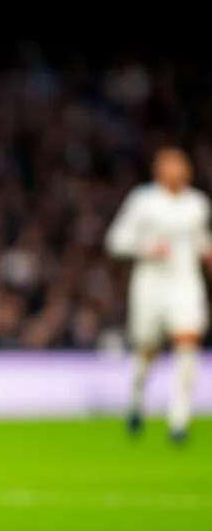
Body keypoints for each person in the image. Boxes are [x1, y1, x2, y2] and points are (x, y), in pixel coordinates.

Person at [105, 146, 212, 444]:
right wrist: (147, 248)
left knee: (188, 342)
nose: (179, 171)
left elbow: (200, 239)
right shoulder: (143, 201)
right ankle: (136, 402)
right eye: (172, 165)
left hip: (185, 284)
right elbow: (116, 240)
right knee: (146, 349)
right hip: (150, 284)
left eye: (182, 165)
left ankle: (179, 420)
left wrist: (207, 252)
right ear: (159, 170)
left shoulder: (197, 204)